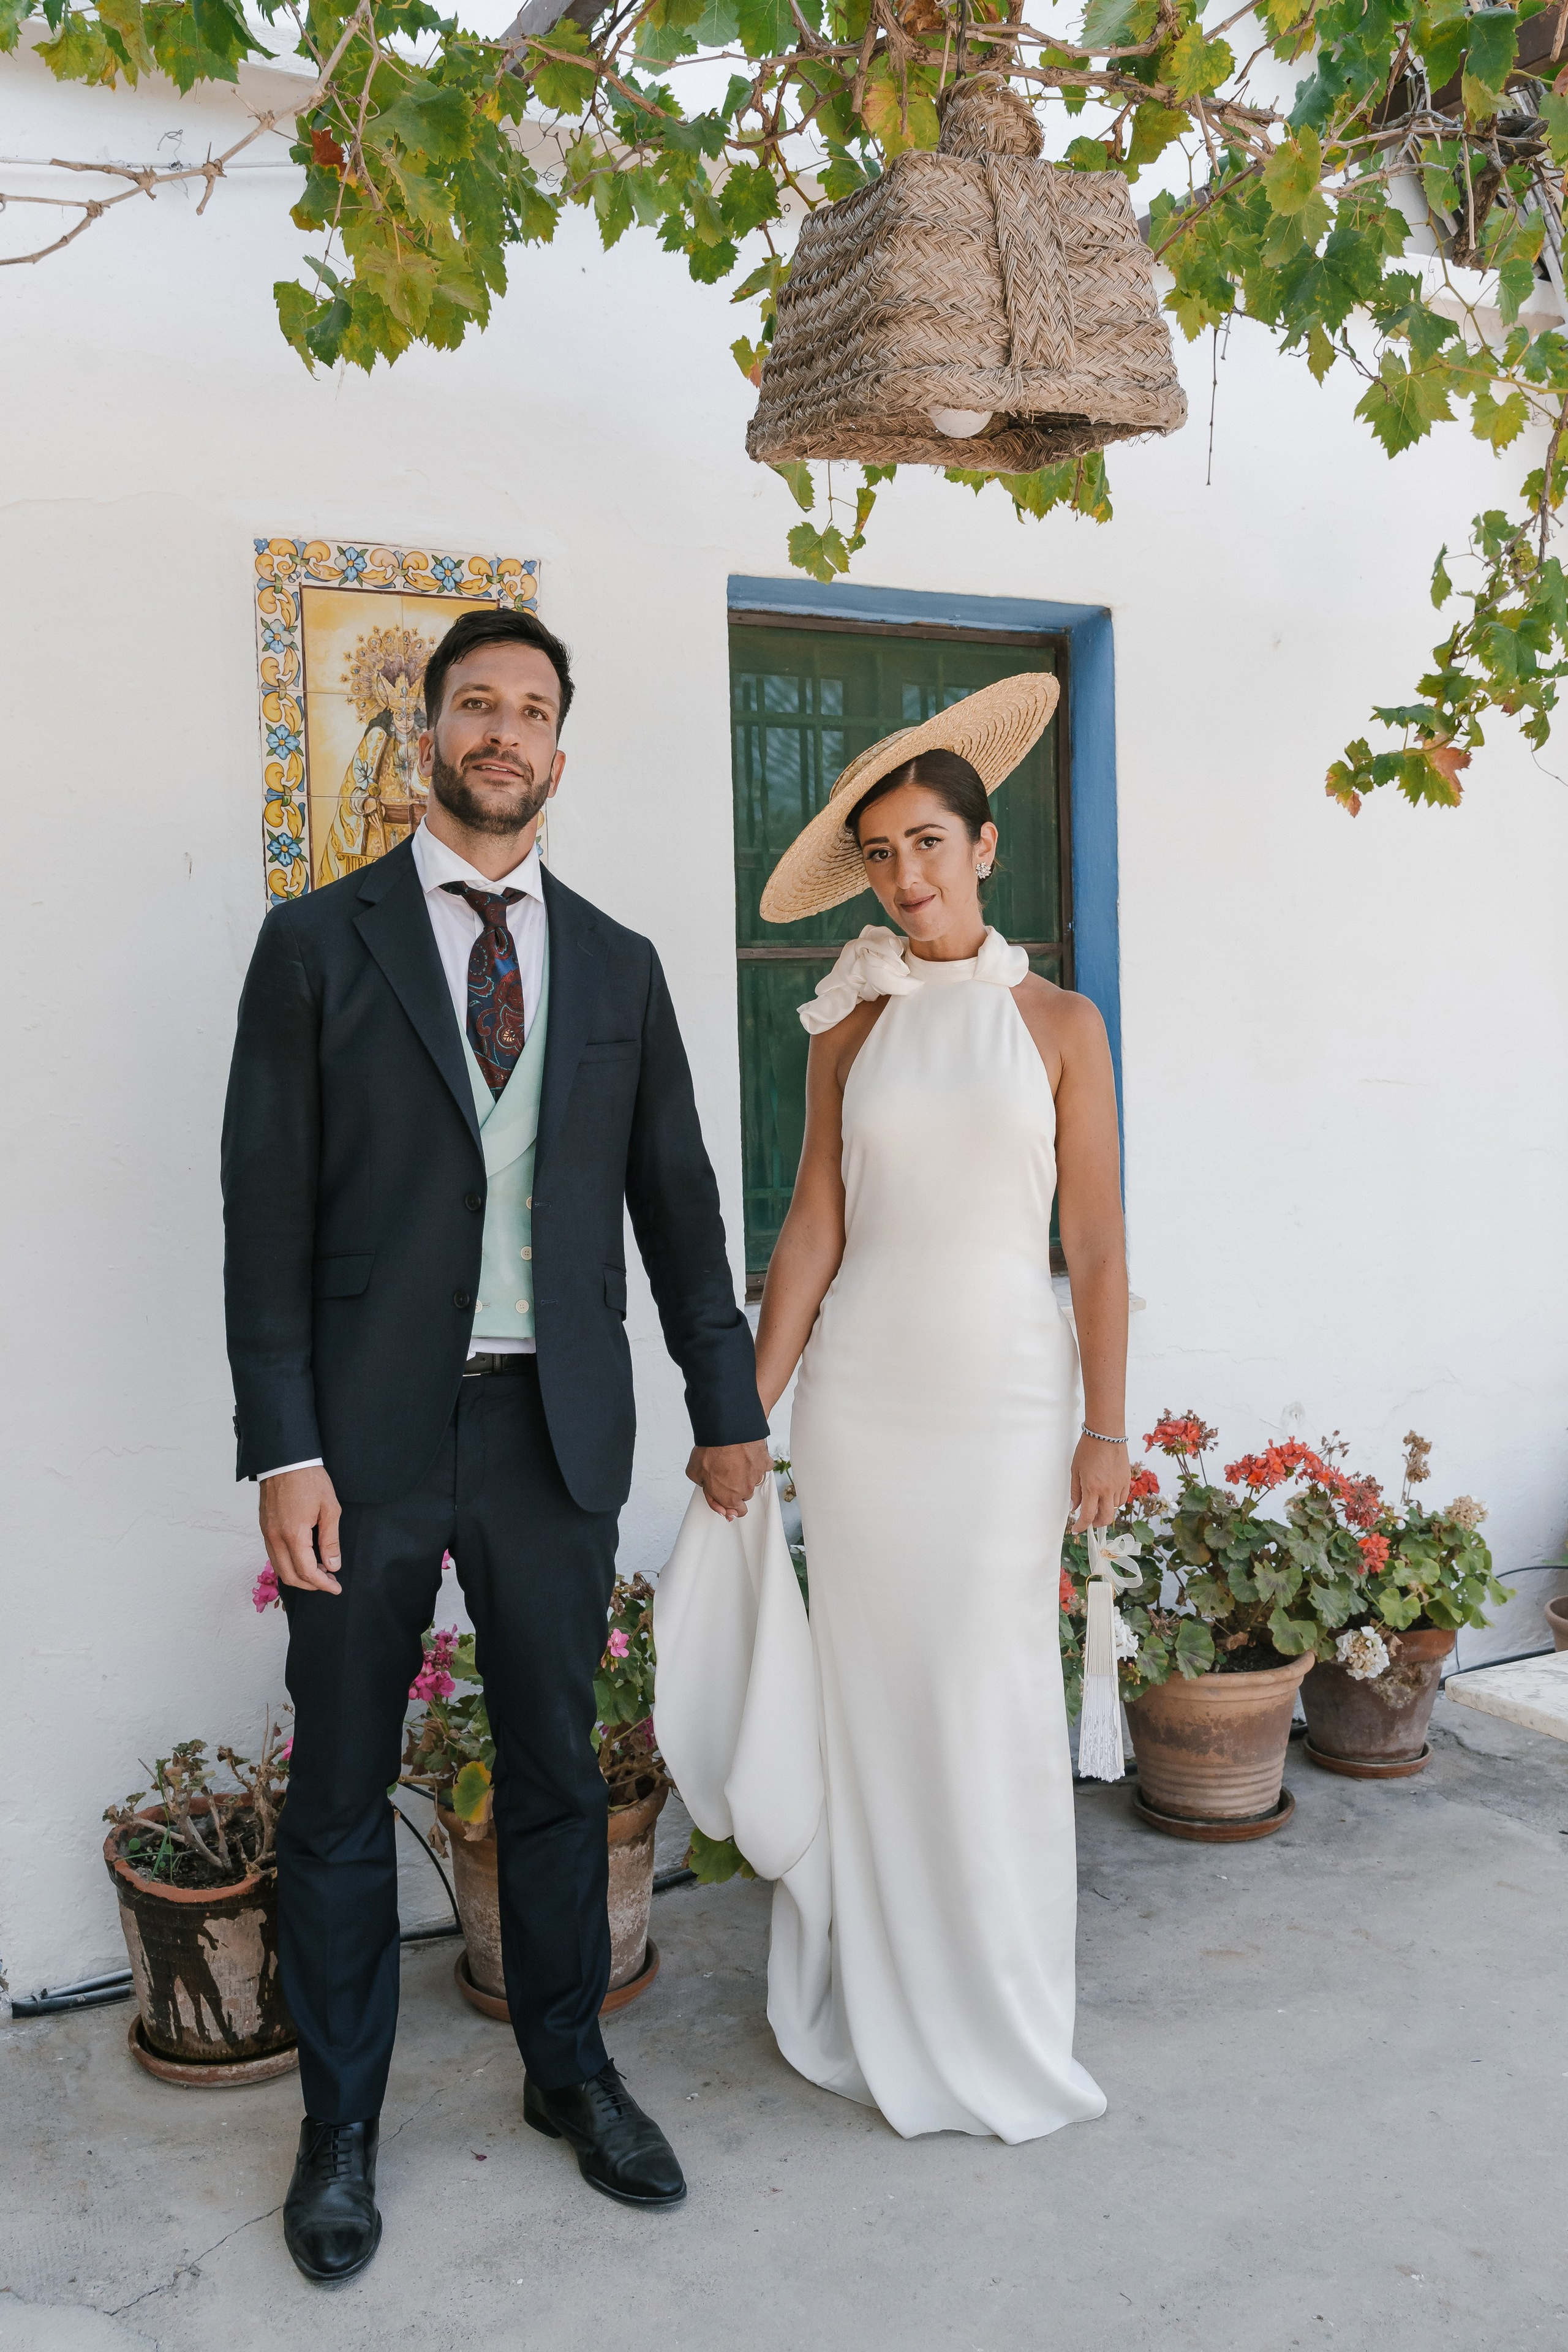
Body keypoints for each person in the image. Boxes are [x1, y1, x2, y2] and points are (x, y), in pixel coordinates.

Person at [222, 604, 771, 2282]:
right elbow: (263, 1222)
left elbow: (678, 1206)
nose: (504, 733)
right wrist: (283, 1452)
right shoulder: (317, 945)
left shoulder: (617, 962)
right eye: (477, 704)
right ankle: (340, 2132)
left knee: (555, 1772)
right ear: (433, 733)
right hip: (368, 1444)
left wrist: (727, 1403)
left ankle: (570, 2071)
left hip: (555, 1430)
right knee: (334, 1792)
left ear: (559, 745)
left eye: (533, 710)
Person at [660, 674, 1127, 2141]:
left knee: (979, 1691)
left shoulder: (1060, 1022)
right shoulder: (844, 1018)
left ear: (984, 850)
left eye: (927, 843)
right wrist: (745, 1407)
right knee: (872, 1696)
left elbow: (1099, 1247)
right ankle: (868, 1994)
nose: (904, 875)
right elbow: (810, 1224)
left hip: (998, 1401)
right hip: (860, 1405)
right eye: (878, 854)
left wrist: (1101, 1431)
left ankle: (995, 2007)